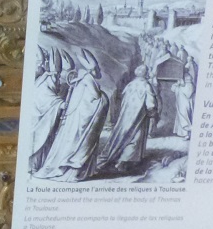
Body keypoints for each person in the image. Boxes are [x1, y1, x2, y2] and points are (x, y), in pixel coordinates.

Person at [35, 49, 109, 181]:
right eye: (97, 68)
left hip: (77, 119)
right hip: (81, 121)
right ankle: (72, 172)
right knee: (78, 145)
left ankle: (72, 171)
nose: (99, 71)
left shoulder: (81, 79)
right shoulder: (88, 78)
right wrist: (104, 97)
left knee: (69, 143)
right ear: (92, 69)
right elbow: (96, 96)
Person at [101, 65, 158, 172]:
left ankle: (124, 159)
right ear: (145, 73)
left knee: (124, 135)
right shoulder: (146, 85)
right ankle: (123, 162)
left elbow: (123, 99)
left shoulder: (130, 85)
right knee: (135, 137)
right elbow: (150, 103)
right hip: (139, 117)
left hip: (126, 115)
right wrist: (152, 111)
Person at [29, 49, 67, 172]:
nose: (58, 80)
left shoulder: (47, 82)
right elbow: (46, 98)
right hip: (38, 121)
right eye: (57, 76)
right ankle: (33, 167)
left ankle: (38, 165)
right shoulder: (44, 84)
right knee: (38, 143)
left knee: (45, 143)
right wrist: (61, 103)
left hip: (43, 120)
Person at [173, 65, 196, 139]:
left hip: (186, 103)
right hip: (180, 102)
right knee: (182, 116)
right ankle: (183, 133)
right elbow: (173, 89)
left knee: (185, 116)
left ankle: (188, 133)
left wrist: (181, 86)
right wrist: (178, 85)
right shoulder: (180, 79)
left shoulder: (189, 83)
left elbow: (189, 93)